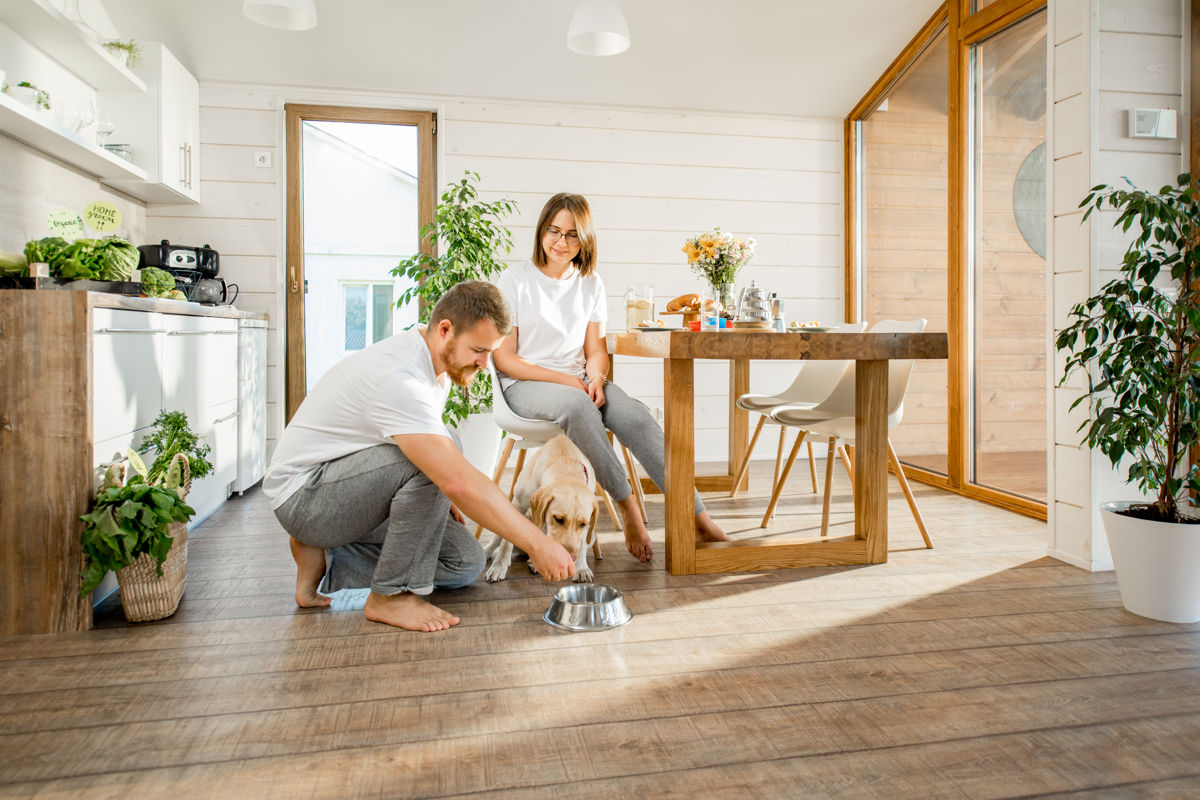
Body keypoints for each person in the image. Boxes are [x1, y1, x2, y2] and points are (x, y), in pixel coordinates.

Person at [263, 280, 575, 632]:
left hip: (343, 489)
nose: (485, 363)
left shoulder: (433, 367)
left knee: (465, 562)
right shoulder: (401, 379)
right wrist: (537, 543)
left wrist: (439, 496)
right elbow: (456, 480)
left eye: (490, 352)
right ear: (445, 330)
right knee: (432, 465)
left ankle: (326, 555)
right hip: (305, 497)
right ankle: (390, 595)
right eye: (478, 350)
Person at [493, 193, 729, 562]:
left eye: (573, 235)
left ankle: (698, 517)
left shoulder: (590, 282)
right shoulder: (515, 280)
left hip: (578, 382)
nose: (561, 242)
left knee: (636, 417)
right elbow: (505, 359)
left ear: (585, 240)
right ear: (541, 231)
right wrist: (568, 382)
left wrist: (596, 379)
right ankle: (629, 509)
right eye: (554, 231)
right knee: (577, 406)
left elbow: (596, 351)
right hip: (524, 385)